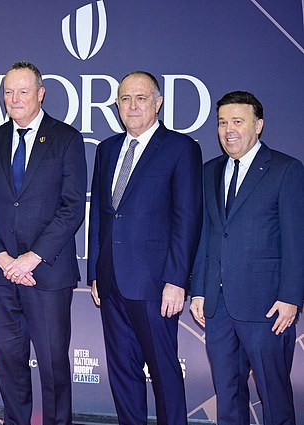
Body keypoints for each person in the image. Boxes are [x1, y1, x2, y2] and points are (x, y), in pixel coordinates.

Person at [0, 61, 87, 425]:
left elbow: (72, 208)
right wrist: (4, 258)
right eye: (8, 92)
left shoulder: (66, 138)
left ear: (40, 94)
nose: (14, 98)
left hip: (47, 274)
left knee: (53, 365)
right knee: (9, 362)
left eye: (23, 91)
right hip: (4, 275)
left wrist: (32, 258)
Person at [87, 71, 203, 424]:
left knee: (165, 373)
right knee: (123, 373)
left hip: (155, 284)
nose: (132, 105)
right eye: (125, 99)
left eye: (140, 98)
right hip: (111, 282)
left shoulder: (181, 148)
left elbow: (188, 219)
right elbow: (100, 216)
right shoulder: (107, 149)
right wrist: (94, 271)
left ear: (158, 103)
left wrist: (177, 280)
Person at [190, 91, 304, 425]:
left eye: (237, 121)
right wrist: (199, 289)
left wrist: (290, 298)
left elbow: (297, 241)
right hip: (219, 306)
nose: (228, 129)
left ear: (259, 125)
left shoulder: (286, 170)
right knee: (227, 395)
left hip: (268, 307)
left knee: (274, 396)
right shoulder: (210, 171)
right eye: (222, 122)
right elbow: (207, 236)